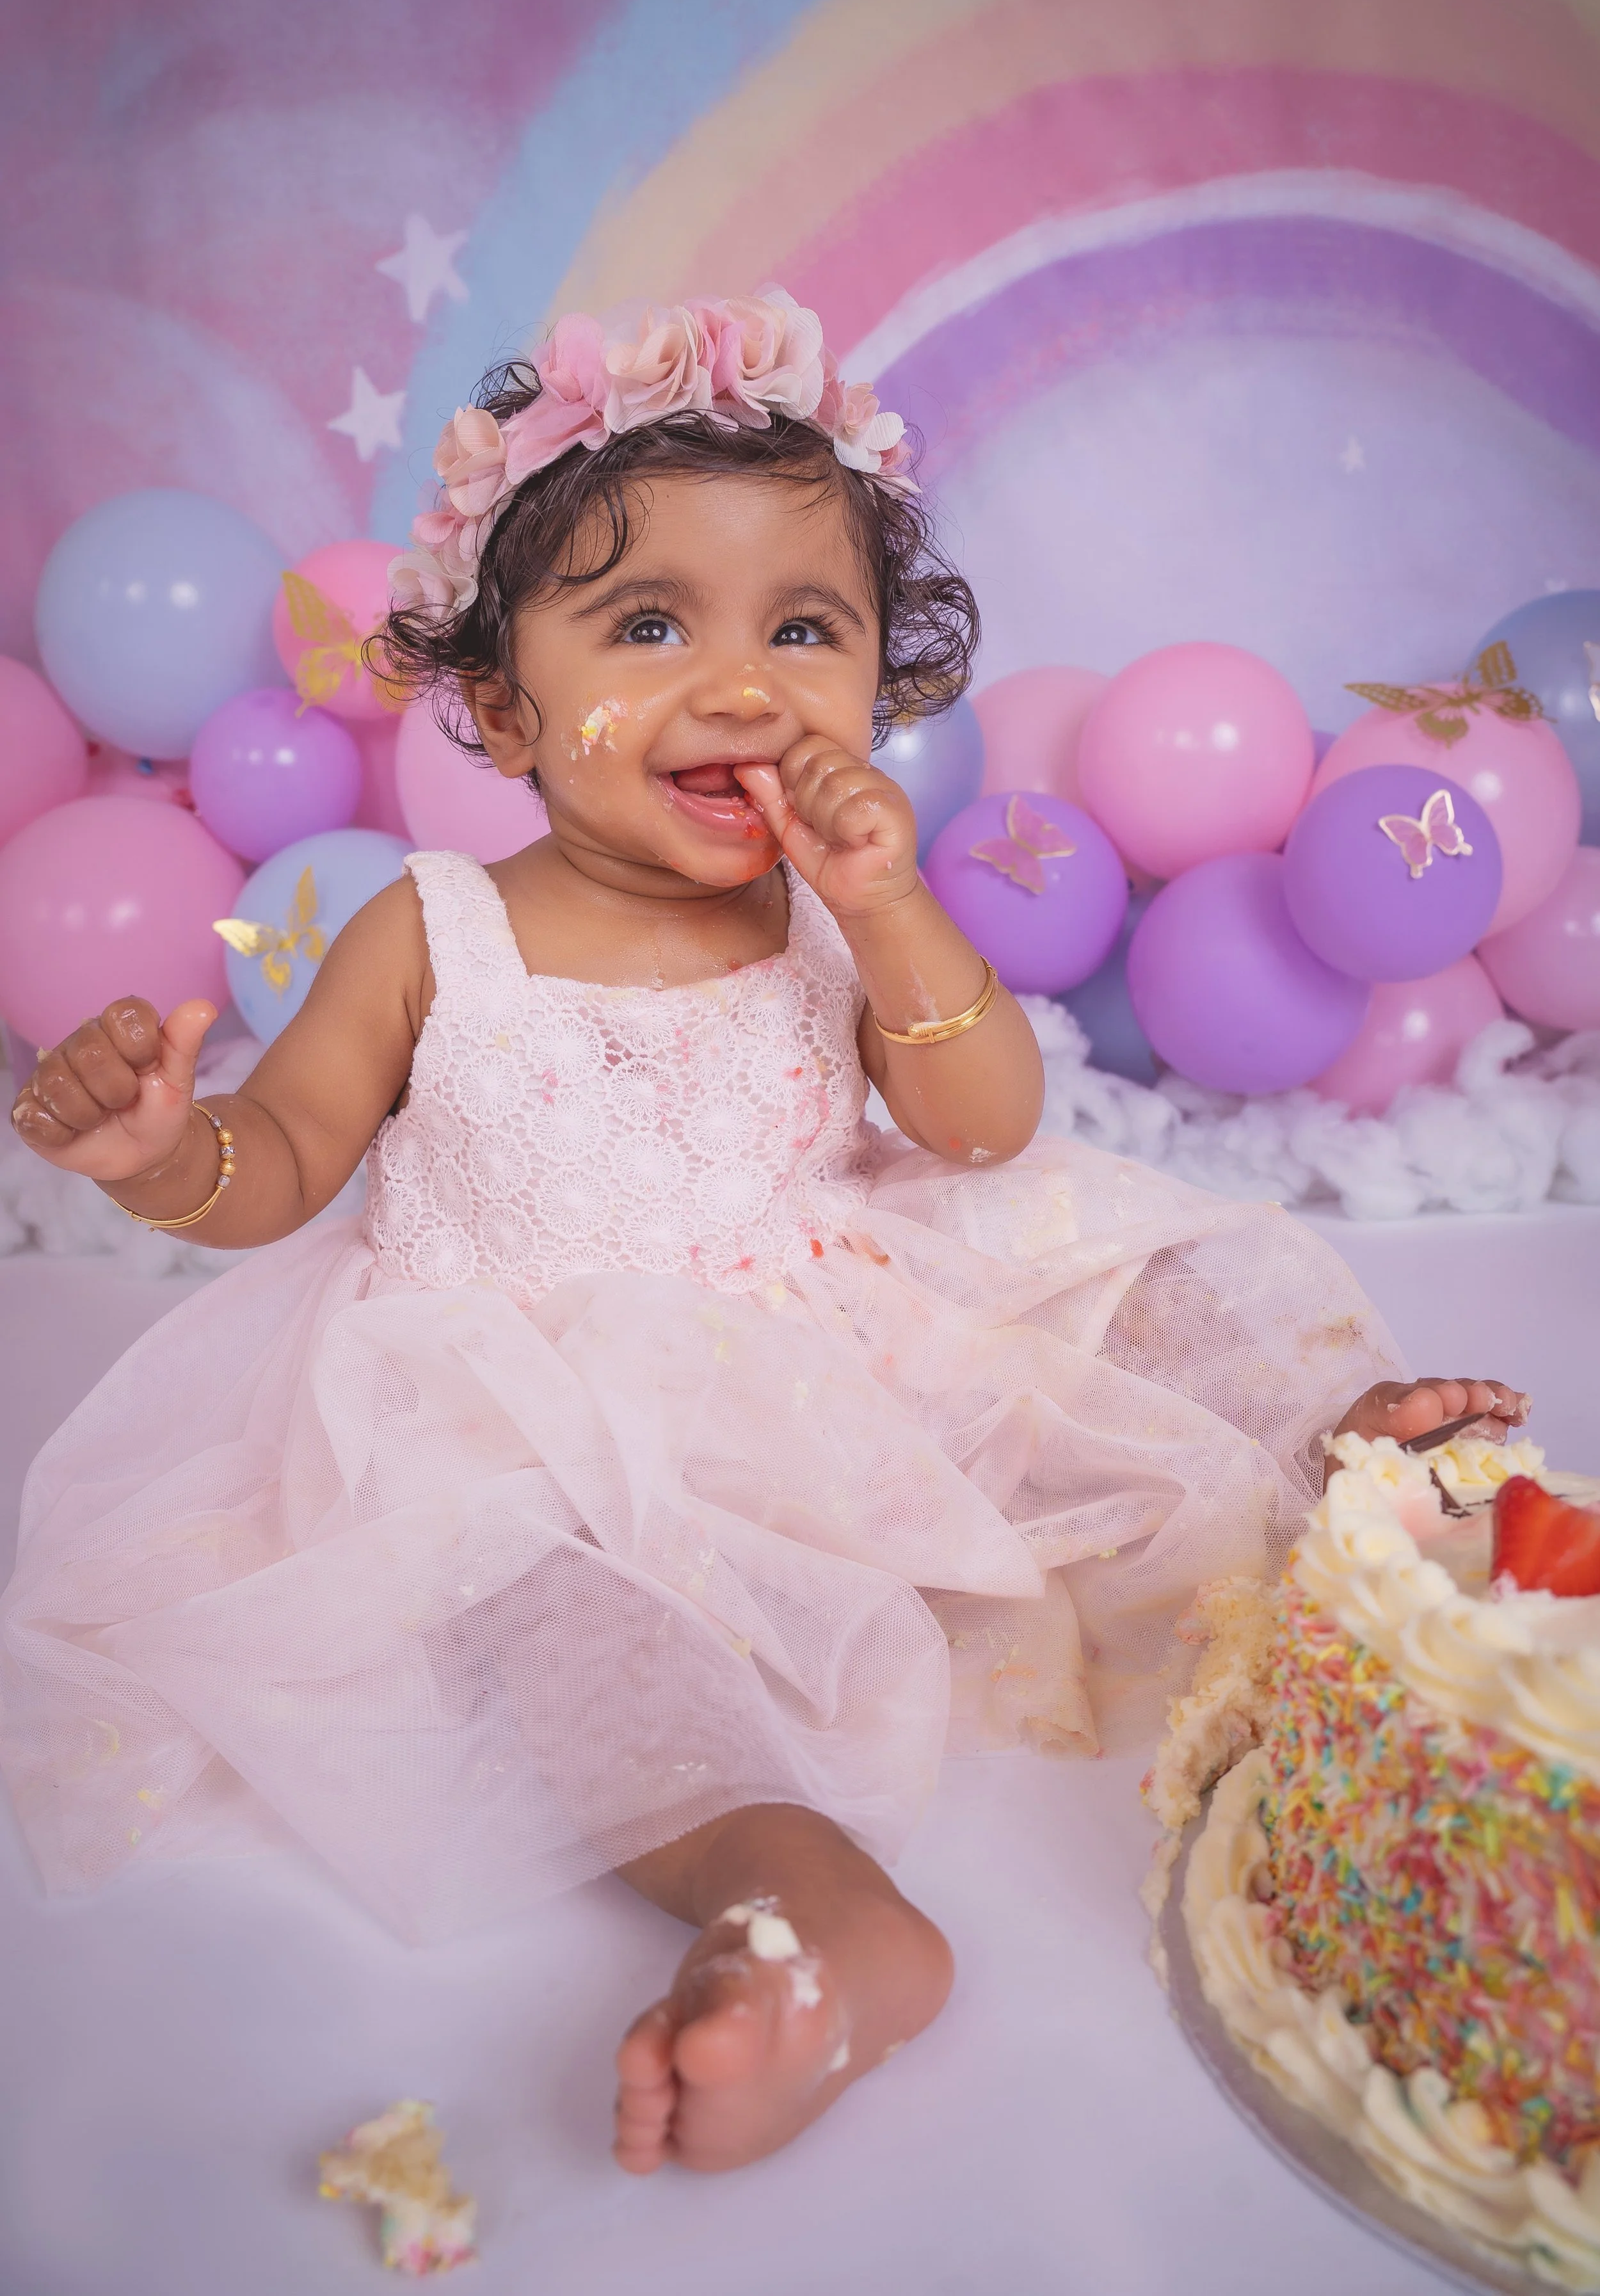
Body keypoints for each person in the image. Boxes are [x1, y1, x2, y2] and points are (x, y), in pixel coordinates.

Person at [4, 291, 1527, 2177]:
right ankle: (800, 1905)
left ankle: (1335, 1468)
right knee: (564, 1644)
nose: (740, 684)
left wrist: (890, 916)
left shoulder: (829, 912)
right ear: (497, 702)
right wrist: (166, 1150)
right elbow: (287, 1157)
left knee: (1150, 1281)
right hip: (527, 1414)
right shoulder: (431, 929)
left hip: (837, 1327)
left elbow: (983, 1127)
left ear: (878, 679)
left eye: (802, 629)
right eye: (649, 625)